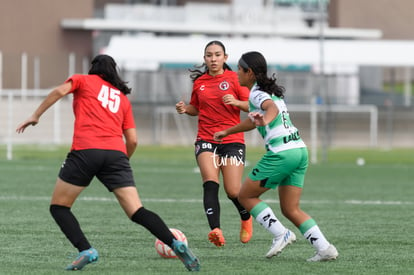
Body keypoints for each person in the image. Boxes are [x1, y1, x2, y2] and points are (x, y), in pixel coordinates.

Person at [16, 54, 200, 271]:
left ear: (93, 68)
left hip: (85, 151)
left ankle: (86, 249)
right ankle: (175, 243)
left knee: (59, 207)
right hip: (116, 155)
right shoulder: (122, 98)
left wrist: (35, 115)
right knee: (137, 211)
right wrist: (120, 164)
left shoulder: (82, 80)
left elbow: (59, 91)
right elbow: (132, 140)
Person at [213, 51, 338, 262]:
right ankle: (325, 248)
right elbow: (256, 119)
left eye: (239, 69)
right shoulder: (270, 91)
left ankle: (281, 234)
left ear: (249, 72)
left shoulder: (257, 93)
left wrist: (265, 120)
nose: (236, 73)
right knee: (290, 208)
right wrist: (228, 131)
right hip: (299, 150)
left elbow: (270, 110)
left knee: (245, 196)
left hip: (282, 153)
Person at [175, 40, 253, 247]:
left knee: (233, 191)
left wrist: (236, 102)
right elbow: (196, 108)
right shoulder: (199, 82)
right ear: (204, 59)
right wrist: (185, 108)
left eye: (217, 55)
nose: (213, 59)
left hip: (232, 139)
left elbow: (251, 106)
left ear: (225, 58)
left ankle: (246, 217)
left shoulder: (235, 79)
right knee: (210, 182)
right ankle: (216, 230)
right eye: (209, 55)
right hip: (206, 138)